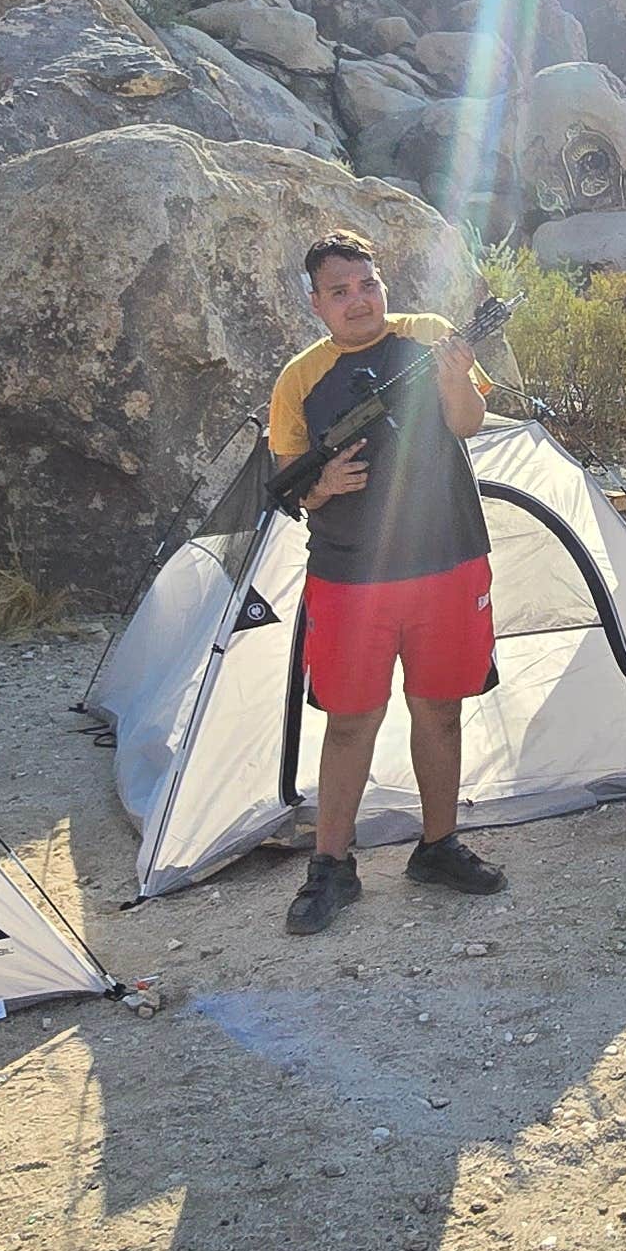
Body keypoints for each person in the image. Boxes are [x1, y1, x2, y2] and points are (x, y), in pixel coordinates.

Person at [263, 230, 510, 935]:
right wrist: (324, 486)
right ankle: (332, 867)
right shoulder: (299, 380)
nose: (358, 301)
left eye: (367, 284)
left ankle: (439, 846)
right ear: (316, 304)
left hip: (449, 560)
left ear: (382, 285)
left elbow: (467, 425)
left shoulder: (432, 338)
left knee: (440, 710)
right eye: (339, 292)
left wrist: (456, 378)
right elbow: (287, 484)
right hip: (350, 576)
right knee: (350, 722)